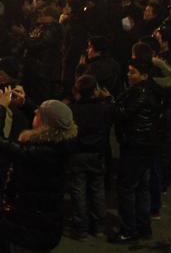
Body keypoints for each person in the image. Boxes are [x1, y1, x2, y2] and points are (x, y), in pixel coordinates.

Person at [0, 93, 78, 252]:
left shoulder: (40, 152)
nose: (35, 112)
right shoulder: (61, 142)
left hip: (29, 226)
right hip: (45, 223)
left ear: (45, 122)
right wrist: (24, 103)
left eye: (38, 113)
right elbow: (46, 118)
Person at [111, 57, 164, 243]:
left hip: (136, 145)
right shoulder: (150, 91)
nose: (129, 74)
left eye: (132, 72)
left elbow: (123, 114)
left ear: (144, 75)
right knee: (142, 187)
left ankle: (128, 229)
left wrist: (111, 102)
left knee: (127, 188)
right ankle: (143, 227)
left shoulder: (139, 93)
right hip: (146, 145)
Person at [67, 74, 113, 239]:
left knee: (78, 189)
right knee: (97, 188)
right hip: (96, 152)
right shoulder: (103, 108)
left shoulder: (73, 109)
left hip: (78, 153)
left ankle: (81, 227)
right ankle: (99, 226)